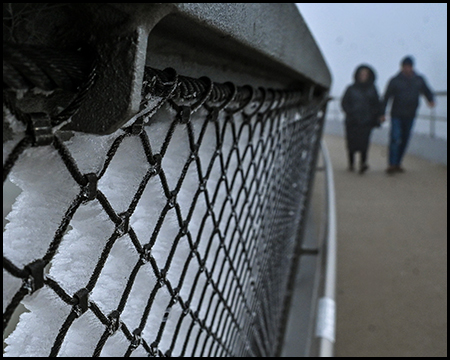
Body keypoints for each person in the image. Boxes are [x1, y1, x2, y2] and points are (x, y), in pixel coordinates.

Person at [381, 56, 435, 174]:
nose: (407, 69)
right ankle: (392, 164)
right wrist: (382, 113)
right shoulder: (395, 80)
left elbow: (426, 90)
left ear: (412, 67)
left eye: (409, 66)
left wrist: (430, 100)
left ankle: (398, 163)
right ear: (401, 67)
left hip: (410, 114)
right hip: (396, 114)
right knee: (395, 138)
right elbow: (386, 97)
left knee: (405, 139)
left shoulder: (419, 79)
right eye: (405, 66)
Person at [341, 64, 384, 174]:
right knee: (351, 143)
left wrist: (378, 115)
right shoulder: (350, 89)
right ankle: (351, 163)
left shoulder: (373, 89)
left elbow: (377, 104)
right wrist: (350, 112)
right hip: (352, 121)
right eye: (361, 74)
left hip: (366, 121)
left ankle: (363, 163)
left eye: (365, 74)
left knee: (364, 143)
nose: (363, 76)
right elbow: (344, 103)